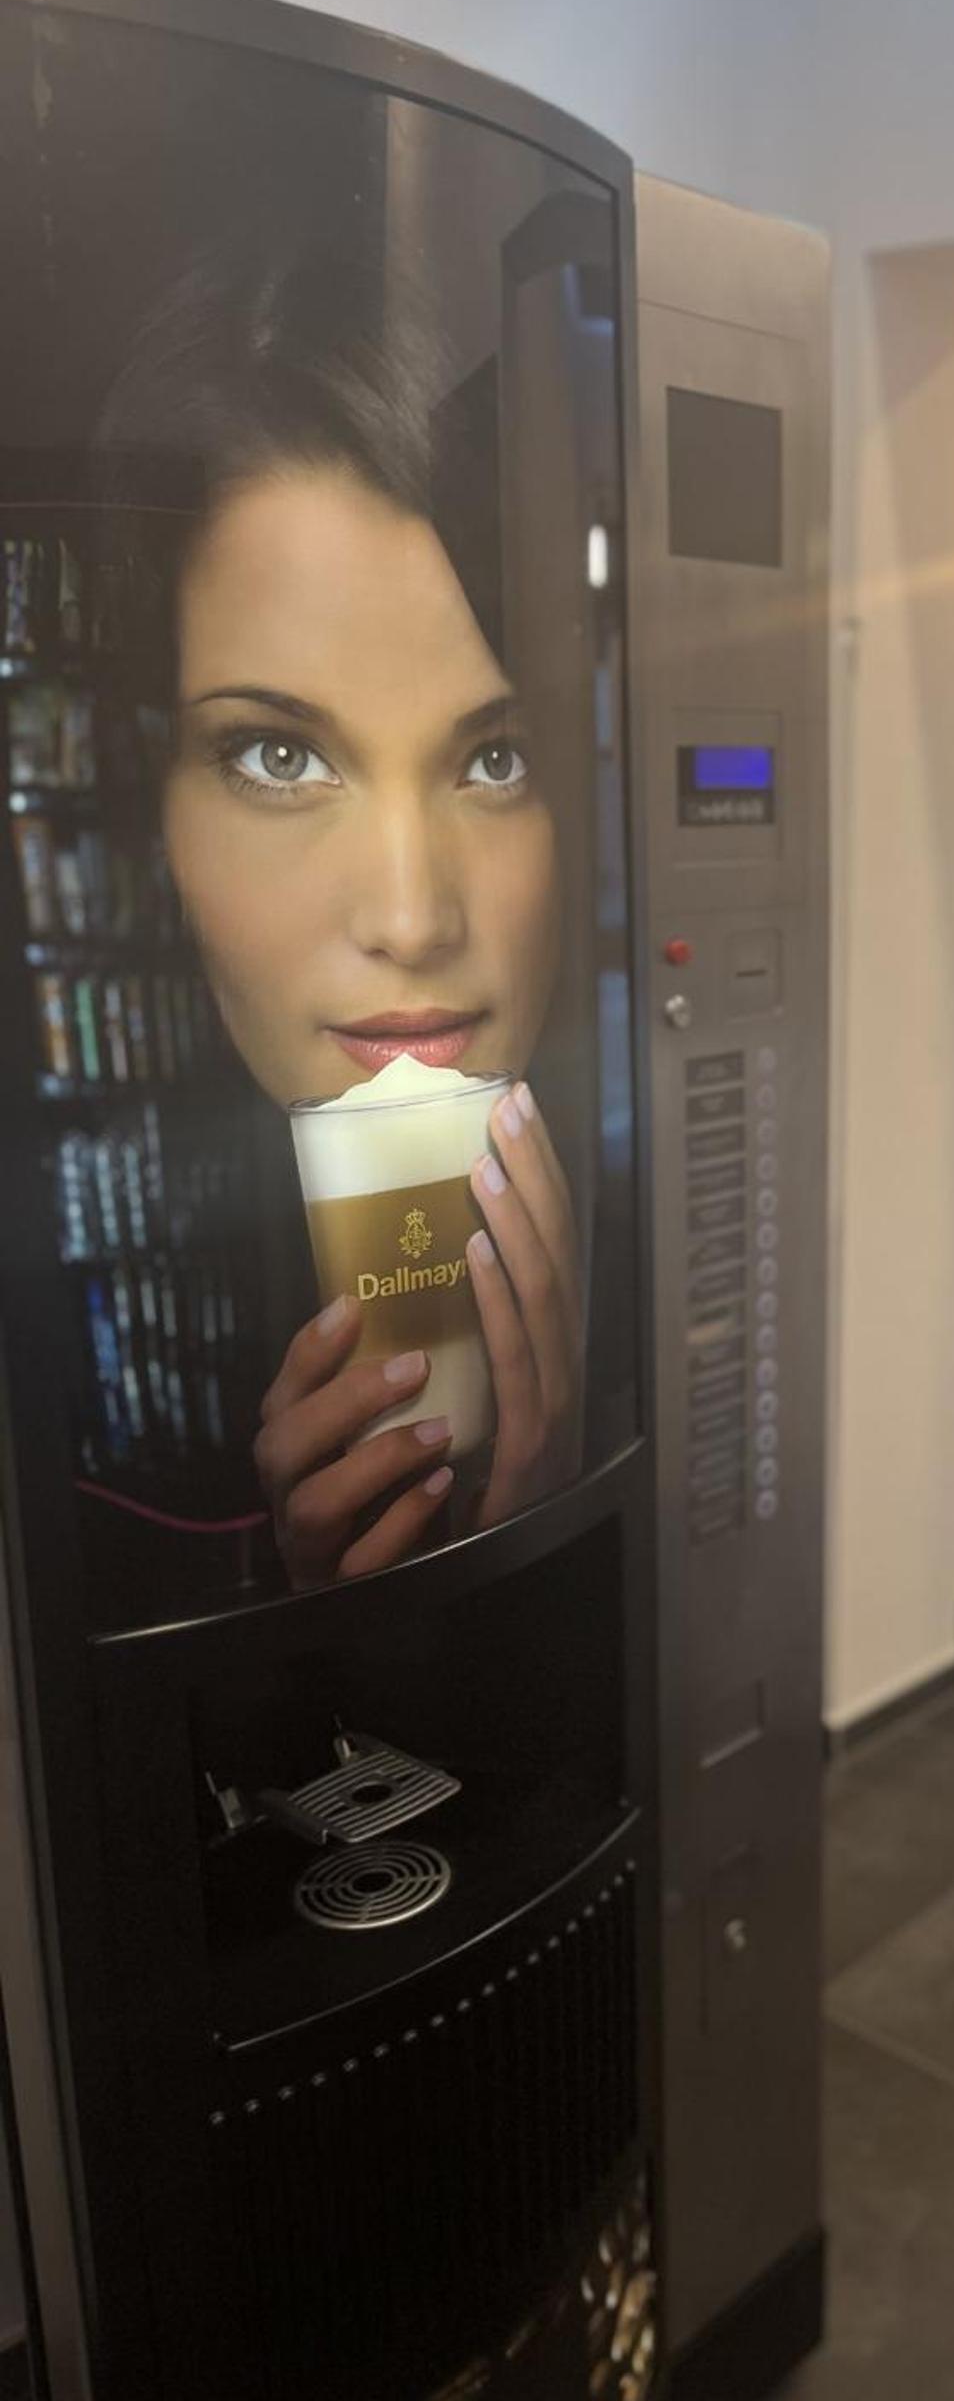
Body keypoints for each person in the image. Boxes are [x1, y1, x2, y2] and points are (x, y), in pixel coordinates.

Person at [97, 246, 586, 1585]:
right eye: (278, 756)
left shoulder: (675, 1273)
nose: (413, 918)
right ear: (157, 814)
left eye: (496, 758)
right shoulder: (100, 1394)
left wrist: (530, 1550)